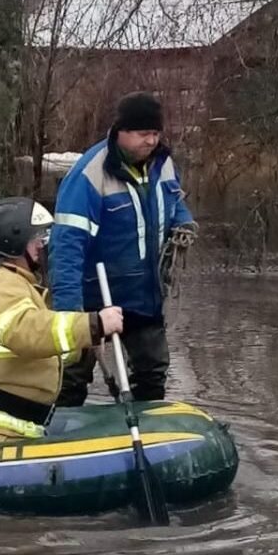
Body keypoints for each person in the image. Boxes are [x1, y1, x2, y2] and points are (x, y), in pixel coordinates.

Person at [49, 92, 198, 406]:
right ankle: (64, 438)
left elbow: (175, 202)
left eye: (156, 134)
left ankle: (148, 431)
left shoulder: (164, 163)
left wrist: (184, 222)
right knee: (72, 377)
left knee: (153, 371)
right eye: (144, 134)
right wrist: (69, 313)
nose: (151, 141)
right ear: (121, 132)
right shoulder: (88, 175)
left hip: (144, 293)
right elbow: (66, 246)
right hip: (94, 296)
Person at [0, 197, 125, 443]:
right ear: (14, 239)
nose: (42, 244)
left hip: (10, 423)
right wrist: (93, 324)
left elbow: (30, 352)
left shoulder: (10, 282)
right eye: (36, 237)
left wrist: (80, 348)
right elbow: (25, 332)